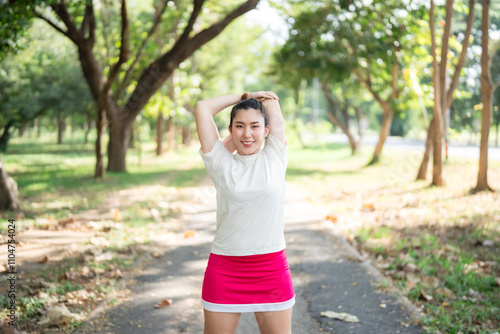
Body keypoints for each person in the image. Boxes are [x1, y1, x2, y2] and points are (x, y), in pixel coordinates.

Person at [195, 91, 294, 334]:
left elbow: (272, 102)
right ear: (230, 129)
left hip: (270, 267)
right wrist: (243, 96)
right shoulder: (219, 161)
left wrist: (260, 98)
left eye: (254, 126)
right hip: (225, 268)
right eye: (239, 126)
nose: (247, 134)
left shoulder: (276, 156)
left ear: (266, 130)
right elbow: (202, 107)